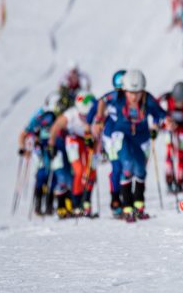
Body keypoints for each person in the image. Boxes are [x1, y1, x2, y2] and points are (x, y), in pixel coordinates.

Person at [90, 69, 168, 222]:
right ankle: (126, 207)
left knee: (140, 170)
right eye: (131, 92)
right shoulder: (117, 96)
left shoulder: (147, 99)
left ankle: (139, 206)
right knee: (126, 167)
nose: (134, 96)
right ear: (125, 90)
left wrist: (163, 124)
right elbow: (102, 101)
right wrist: (99, 119)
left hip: (141, 138)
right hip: (122, 135)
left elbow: (161, 114)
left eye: (138, 92)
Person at [48, 91, 97, 218]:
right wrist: (51, 144)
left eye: (88, 116)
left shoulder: (96, 112)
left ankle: (86, 203)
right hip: (74, 140)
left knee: (91, 171)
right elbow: (55, 127)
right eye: (83, 115)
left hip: (89, 140)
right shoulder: (71, 114)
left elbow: (100, 129)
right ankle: (76, 204)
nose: (85, 118)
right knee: (79, 170)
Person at [87, 69, 126, 217]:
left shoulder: (133, 96)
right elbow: (94, 110)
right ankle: (116, 200)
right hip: (112, 137)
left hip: (127, 136)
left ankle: (127, 199)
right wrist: (92, 125)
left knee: (128, 167)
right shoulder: (111, 96)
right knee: (117, 167)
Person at [19, 93, 59, 216]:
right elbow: (25, 132)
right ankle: (38, 204)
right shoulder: (40, 115)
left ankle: (49, 204)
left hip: (54, 146)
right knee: (42, 173)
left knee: (54, 173)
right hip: (41, 146)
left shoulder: (58, 115)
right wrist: (23, 148)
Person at [159, 81, 183, 193]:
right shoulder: (167, 98)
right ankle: (169, 180)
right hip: (169, 130)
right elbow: (156, 108)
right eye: (177, 100)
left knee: (181, 155)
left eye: (181, 101)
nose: (179, 103)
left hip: (182, 131)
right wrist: (161, 126)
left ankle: (180, 182)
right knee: (169, 153)